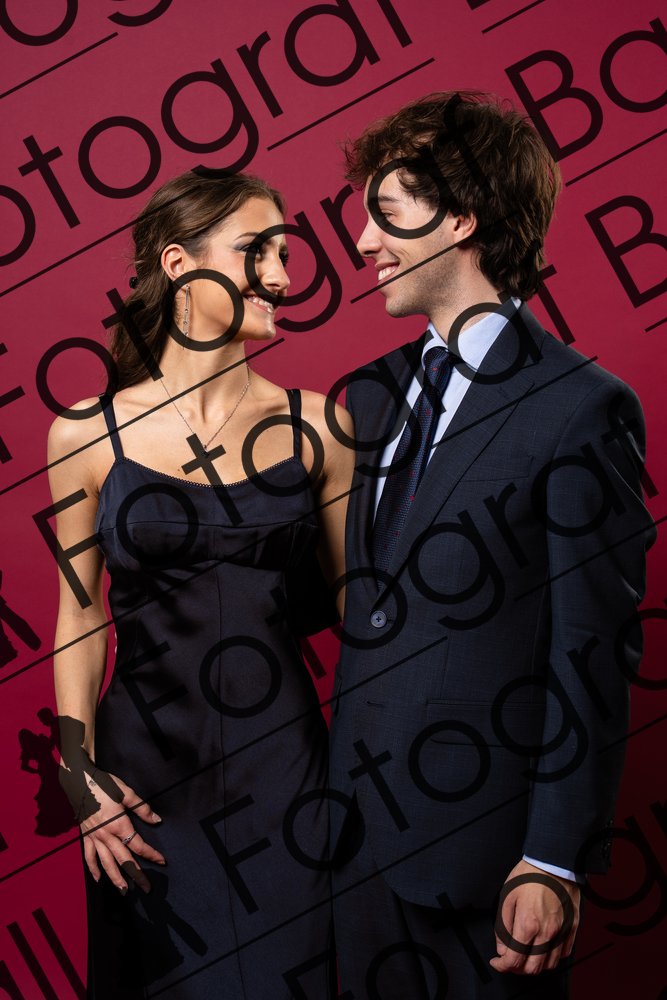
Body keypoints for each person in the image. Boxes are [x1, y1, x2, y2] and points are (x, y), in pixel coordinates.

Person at [328, 91, 655, 999]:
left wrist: (552, 858)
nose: (362, 242)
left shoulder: (580, 407)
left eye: (385, 214)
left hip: (482, 863)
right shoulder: (368, 395)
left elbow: (591, 648)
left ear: (461, 218)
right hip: (349, 854)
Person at [48, 170, 354, 998]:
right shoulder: (85, 434)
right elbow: (80, 615)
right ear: (179, 265)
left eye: (285, 256)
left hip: (286, 779)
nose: (281, 277)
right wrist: (80, 776)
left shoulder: (321, 427)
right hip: (141, 786)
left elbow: (360, 615)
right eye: (257, 251)